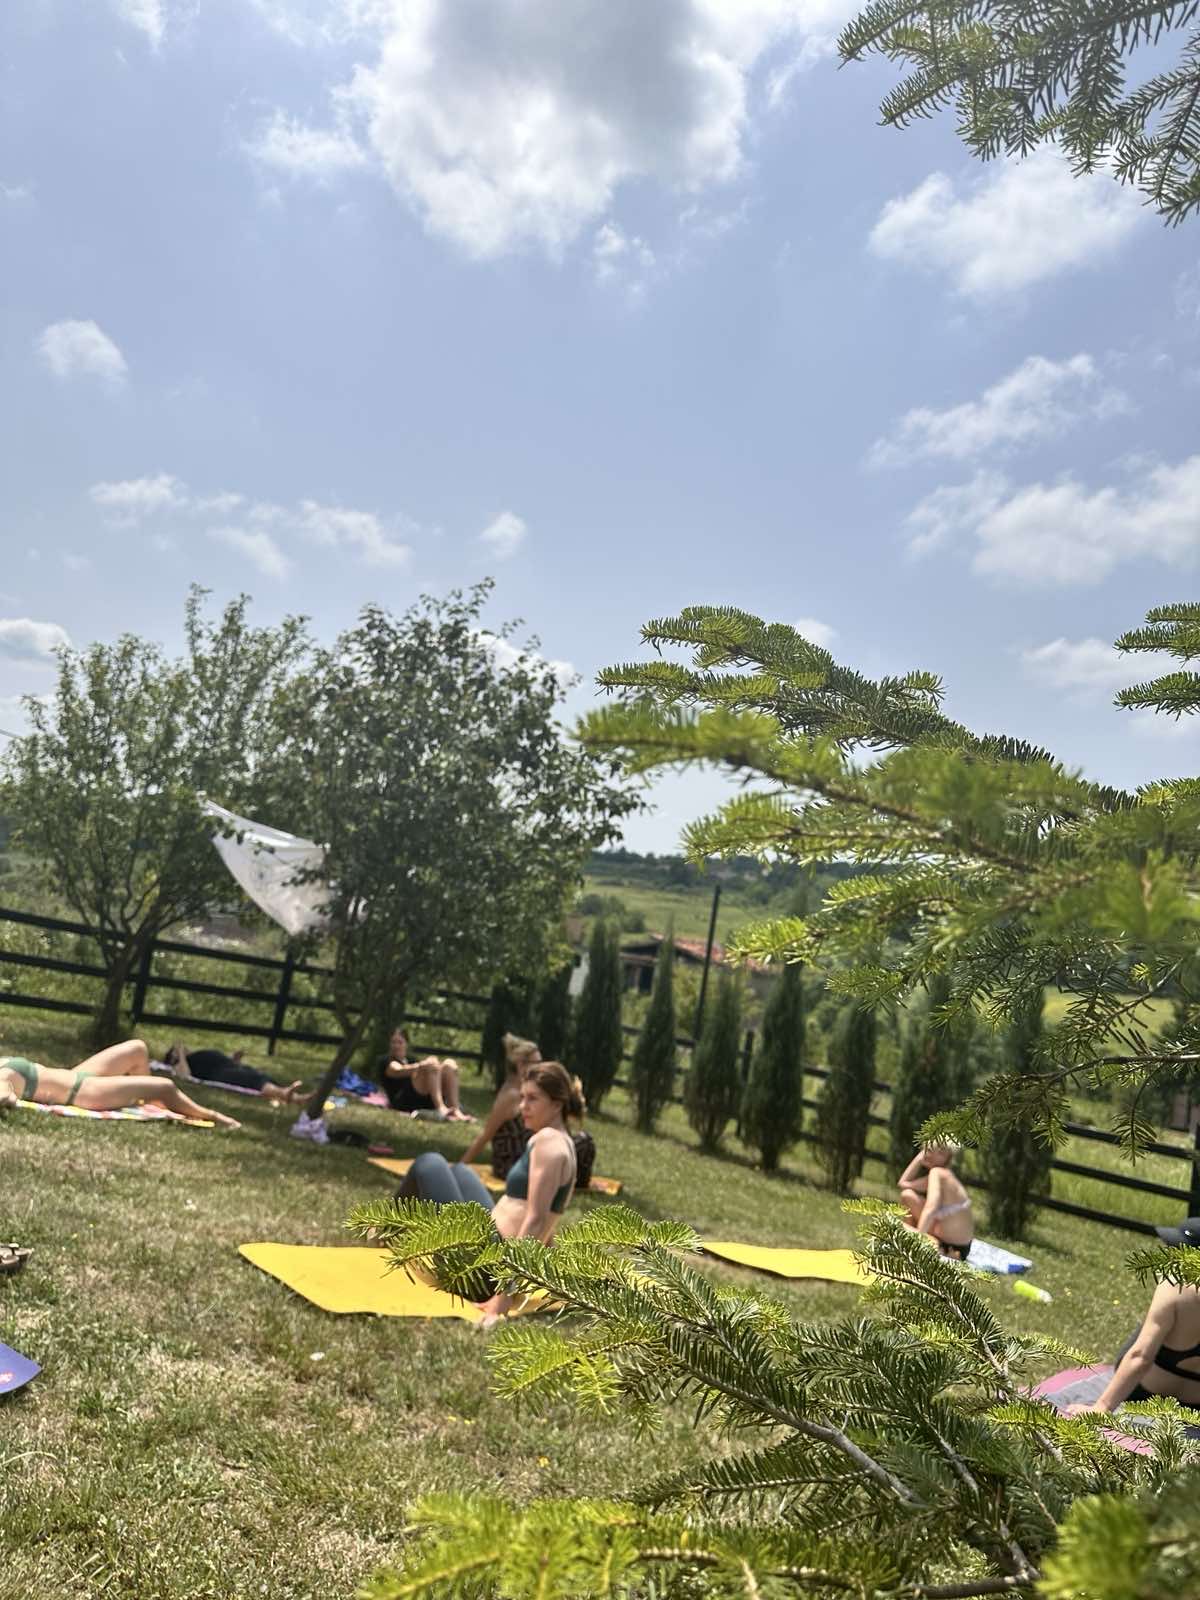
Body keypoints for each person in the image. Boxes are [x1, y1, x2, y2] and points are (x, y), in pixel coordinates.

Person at [395, 1060, 583, 1327]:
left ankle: (384, 1228)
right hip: (489, 1252)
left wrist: (503, 1297)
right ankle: (386, 1227)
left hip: (481, 1270)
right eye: (522, 1097)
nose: (523, 1106)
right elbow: (549, 1220)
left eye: (533, 1099)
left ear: (557, 1104)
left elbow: (537, 1219)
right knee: (460, 1171)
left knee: (430, 1162)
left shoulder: (548, 1144)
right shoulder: (563, 1142)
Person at [1066, 1216, 1200, 1418]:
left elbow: (1141, 1356)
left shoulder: (1174, 1286)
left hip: (1148, 1394)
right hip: (1194, 1405)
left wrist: (1102, 1407)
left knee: (1151, 1326)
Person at [0, 1039, 241, 1129]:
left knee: (138, 1049)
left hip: (75, 1076)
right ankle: (214, 1116)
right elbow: (5, 1097)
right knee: (164, 1087)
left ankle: (147, 1103)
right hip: (83, 1093)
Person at [459, 1032, 541, 1176]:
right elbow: (486, 1135)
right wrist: (459, 1167)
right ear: (521, 1065)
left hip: (527, 1163)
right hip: (511, 1167)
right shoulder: (511, 1096)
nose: (541, 1068)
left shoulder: (525, 1091)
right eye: (536, 1063)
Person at [377, 1027, 473, 1122]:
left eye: (400, 1042)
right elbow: (397, 1070)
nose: (396, 1046)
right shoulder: (386, 1061)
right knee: (430, 1066)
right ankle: (440, 1107)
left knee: (449, 1064)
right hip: (403, 1102)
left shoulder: (412, 1059)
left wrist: (431, 1065)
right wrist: (423, 1065)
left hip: (423, 1098)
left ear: (406, 1044)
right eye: (393, 1042)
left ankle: (455, 1109)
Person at [162, 1041, 304, 1105]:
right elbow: (185, 1076)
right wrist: (180, 1054)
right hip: (220, 1074)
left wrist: (234, 1059)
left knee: (261, 1076)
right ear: (173, 1058)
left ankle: (293, 1096)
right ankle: (288, 1095)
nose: (184, 1047)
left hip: (230, 1067)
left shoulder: (194, 1055)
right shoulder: (181, 1064)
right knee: (254, 1080)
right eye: (176, 1050)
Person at [897, 1143, 973, 1260]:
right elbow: (903, 1184)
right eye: (930, 1149)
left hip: (951, 1248)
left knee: (893, 1225)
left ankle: (914, 1243)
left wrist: (917, 1240)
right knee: (908, 1196)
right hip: (958, 1246)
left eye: (941, 1152)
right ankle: (913, 1240)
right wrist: (919, 1158)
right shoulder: (943, 1175)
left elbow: (930, 1208)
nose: (931, 1154)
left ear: (949, 1158)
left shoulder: (938, 1173)